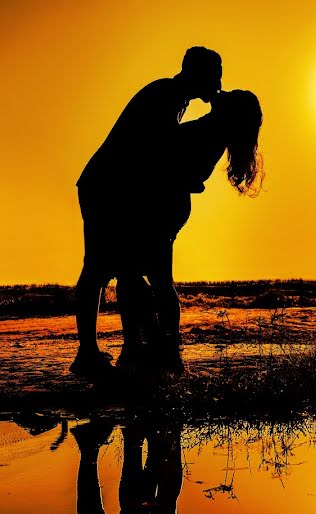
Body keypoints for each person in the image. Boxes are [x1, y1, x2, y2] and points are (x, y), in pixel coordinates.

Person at [71, 47, 222, 377]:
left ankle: (123, 349)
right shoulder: (166, 96)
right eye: (216, 74)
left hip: (115, 186)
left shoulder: (174, 99)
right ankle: (89, 352)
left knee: (118, 269)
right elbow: (155, 150)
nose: (219, 82)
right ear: (198, 74)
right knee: (98, 268)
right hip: (105, 186)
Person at [120, 89, 263, 375]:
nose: (222, 92)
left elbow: (166, 160)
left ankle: (149, 347)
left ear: (229, 111)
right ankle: (154, 347)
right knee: (151, 277)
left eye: (229, 95)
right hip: (168, 204)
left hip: (161, 204)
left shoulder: (208, 132)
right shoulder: (213, 131)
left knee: (135, 275)